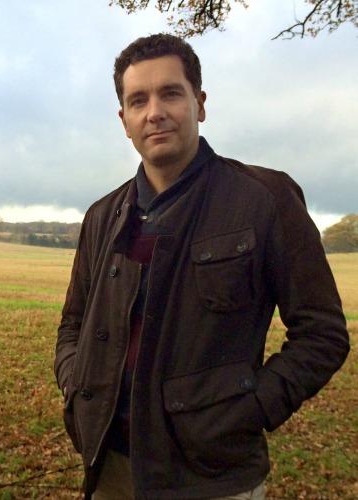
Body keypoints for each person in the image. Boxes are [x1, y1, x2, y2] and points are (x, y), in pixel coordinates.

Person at [54, 34, 349, 499]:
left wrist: (248, 410)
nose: (155, 112)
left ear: (200, 103)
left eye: (171, 93)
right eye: (138, 100)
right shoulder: (102, 216)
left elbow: (323, 334)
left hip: (211, 476)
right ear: (124, 120)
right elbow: (73, 324)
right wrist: (75, 385)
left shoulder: (264, 200)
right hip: (109, 466)